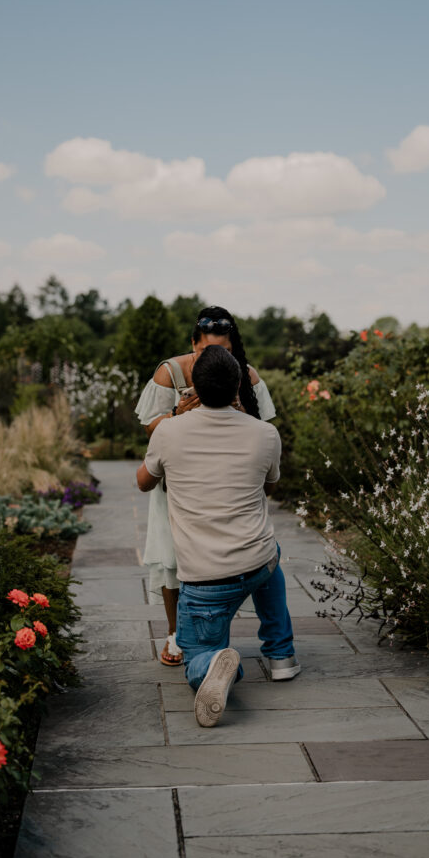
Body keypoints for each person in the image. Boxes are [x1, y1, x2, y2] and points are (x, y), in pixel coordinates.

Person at [137, 344, 300, 728]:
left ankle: (212, 663)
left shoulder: (169, 432)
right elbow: (269, 487)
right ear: (239, 385)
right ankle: (282, 656)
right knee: (269, 552)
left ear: (193, 386)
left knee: (194, 655)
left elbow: (143, 482)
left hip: (205, 580)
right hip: (257, 563)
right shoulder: (265, 433)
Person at [134, 306, 277, 666]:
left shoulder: (245, 374)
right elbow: (150, 428)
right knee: (171, 556)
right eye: (204, 352)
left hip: (226, 478)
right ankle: (174, 633)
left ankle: (207, 635)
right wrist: (180, 413)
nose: (214, 358)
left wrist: (236, 408)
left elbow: (260, 429)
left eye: (225, 352)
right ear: (192, 345)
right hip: (178, 477)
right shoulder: (168, 373)